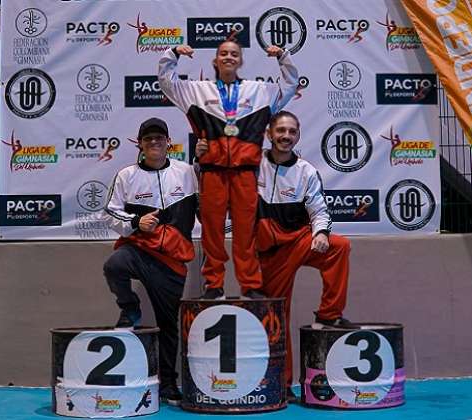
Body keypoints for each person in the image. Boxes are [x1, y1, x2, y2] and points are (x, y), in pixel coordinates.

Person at [158, 39, 299, 299]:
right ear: (215, 60)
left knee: (246, 231)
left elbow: (290, 84)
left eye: (234, 54)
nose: (229, 57)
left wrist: (283, 57)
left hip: (245, 173)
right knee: (212, 231)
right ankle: (214, 285)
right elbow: (167, 82)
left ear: (241, 61)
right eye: (223, 53)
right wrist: (173, 53)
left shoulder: (259, 91)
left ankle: (250, 285)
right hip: (212, 172)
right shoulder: (197, 91)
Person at [255, 111, 353, 403]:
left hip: (299, 240)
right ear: (269, 134)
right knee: (277, 316)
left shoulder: (307, 170)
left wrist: (320, 232)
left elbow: (319, 209)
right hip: (269, 251)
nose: (286, 136)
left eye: (292, 132)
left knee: (339, 246)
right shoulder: (251, 164)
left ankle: (329, 314)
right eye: (281, 130)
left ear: (297, 136)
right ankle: (282, 383)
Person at [103, 117, 197, 406]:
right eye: (148, 139)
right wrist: (135, 221)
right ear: (140, 144)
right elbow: (109, 213)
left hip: (172, 260)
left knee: (169, 324)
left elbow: (209, 206)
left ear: (169, 142)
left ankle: (168, 384)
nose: (154, 142)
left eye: (159, 138)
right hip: (140, 250)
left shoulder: (187, 172)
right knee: (114, 265)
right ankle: (129, 308)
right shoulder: (126, 175)